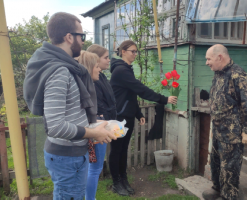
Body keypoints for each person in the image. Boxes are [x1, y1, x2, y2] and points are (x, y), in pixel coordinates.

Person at [23, 12, 116, 199]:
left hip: (72, 155)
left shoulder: (65, 67)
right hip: (67, 158)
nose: (83, 41)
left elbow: (70, 112)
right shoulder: (59, 71)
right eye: (81, 36)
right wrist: (93, 133)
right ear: (69, 37)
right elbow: (55, 126)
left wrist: (93, 125)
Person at [109, 40, 178, 196]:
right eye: (132, 51)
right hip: (119, 116)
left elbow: (131, 94)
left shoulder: (127, 69)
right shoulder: (121, 71)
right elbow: (140, 89)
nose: (135, 54)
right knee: (117, 150)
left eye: (136, 51)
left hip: (127, 116)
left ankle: (123, 179)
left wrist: (138, 113)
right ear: (123, 51)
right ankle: (116, 183)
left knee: (123, 150)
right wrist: (163, 99)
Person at [203, 44, 247, 200]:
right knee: (215, 161)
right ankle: (217, 188)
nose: (207, 62)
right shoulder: (219, 73)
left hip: (232, 132)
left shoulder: (237, 75)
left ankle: (229, 196)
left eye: (209, 59)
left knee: (230, 167)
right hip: (219, 129)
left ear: (220, 57)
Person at [82, 45, 117, 200]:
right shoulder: (92, 81)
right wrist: (105, 119)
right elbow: (98, 105)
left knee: (93, 167)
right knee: (94, 168)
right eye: (105, 57)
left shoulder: (100, 77)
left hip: (102, 122)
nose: (109, 60)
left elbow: (110, 100)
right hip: (97, 125)